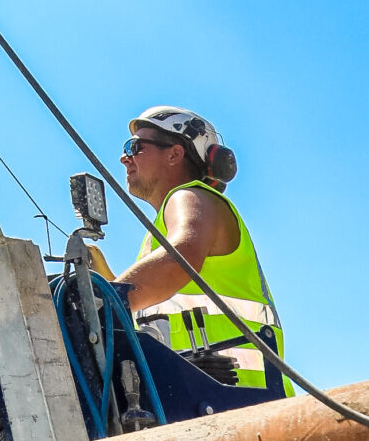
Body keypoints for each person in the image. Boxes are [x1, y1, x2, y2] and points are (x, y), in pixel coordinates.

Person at [116, 106, 283, 391]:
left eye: (135, 146)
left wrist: (101, 298)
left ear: (174, 154)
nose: (124, 157)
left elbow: (180, 259)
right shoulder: (159, 230)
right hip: (206, 397)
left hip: (237, 402)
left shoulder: (190, 197)